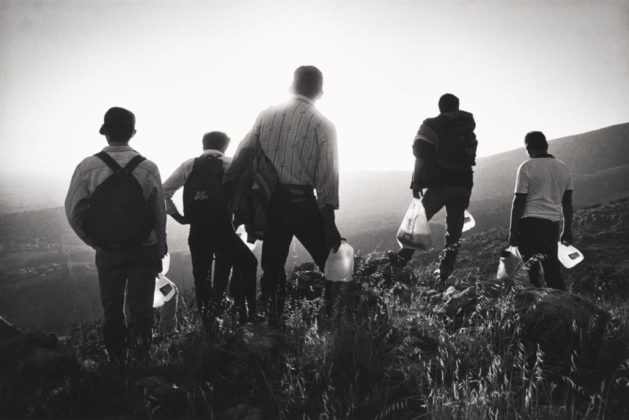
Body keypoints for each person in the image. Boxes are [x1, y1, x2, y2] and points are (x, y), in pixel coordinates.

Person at [226, 65, 341, 324]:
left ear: (291, 86)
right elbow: (327, 175)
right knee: (330, 261)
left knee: (272, 265)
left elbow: (243, 152)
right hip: (302, 202)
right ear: (320, 93)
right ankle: (334, 317)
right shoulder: (323, 124)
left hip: (269, 203)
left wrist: (237, 200)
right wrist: (329, 222)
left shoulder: (267, 115)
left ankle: (274, 320)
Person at [65, 107, 167, 364]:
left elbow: (74, 212)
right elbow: (158, 213)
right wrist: (160, 247)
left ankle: (117, 362)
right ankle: (141, 361)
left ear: (106, 132)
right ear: (132, 133)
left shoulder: (87, 167)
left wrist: (95, 242)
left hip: (108, 250)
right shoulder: (148, 167)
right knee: (141, 309)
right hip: (143, 248)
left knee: (112, 309)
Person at [162, 132, 258, 324]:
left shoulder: (189, 165)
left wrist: (179, 218)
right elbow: (249, 191)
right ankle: (247, 313)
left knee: (201, 277)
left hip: (197, 229)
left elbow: (164, 192)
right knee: (248, 263)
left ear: (203, 145)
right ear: (225, 147)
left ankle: (209, 323)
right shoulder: (230, 164)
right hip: (223, 228)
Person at [389, 93, 477, 284]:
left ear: (440, 107)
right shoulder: (467, 125)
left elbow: (420, 154)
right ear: (457, 106)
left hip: (441, 183)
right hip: (463, 184)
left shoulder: (431, 125)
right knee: (454, 230)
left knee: (419, 220)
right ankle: (444, 273)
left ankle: (401, 261)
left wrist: (416, 181)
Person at [508, 131, 573, 290]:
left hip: (528, 225)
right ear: (546, 145)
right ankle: (561, 301)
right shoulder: (563, 168)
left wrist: (513, 230)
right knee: (552, 271)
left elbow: (519, 200)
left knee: (531, 274)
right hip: (551, 226)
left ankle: (535, 302)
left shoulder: (526, 167)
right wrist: (567, 230)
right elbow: (567, 204)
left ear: (528, 148)